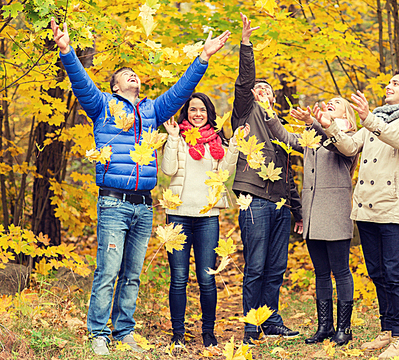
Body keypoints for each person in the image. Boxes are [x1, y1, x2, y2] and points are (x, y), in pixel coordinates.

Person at [51, 18, 230, 356]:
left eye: (135, 73)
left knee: (132, 273)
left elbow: (179, 91)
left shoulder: (150, 111)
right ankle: (98, 333)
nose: (133, 75)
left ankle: (123, 330)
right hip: (113, 203)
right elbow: (81, 83)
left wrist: (203, 58)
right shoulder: (102, 106)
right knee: (109, 270)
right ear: (116, 85)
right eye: (125, 73)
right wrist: (67, 52)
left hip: (144, 205)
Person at [318, 70, 399, 359]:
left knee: (394, 271)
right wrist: (330, 128)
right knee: (377, 272)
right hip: (366, 207)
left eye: (395, 83)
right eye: (388, 82)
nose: (387, 86)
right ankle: (387, 330)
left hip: (392, 206)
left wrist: (368, 118)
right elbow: (350, 147)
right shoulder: (375, 119)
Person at [261, 97, 357, 346]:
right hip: (313, 215)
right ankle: (325, 326)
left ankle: (344, 329)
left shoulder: (349, 137)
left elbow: (336, 143)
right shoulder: (313, 136)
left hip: (335, 213)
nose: (330, 102)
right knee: (321, 273)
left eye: (337, 102)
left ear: (347, 112)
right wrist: (270, 113)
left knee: (341, 271)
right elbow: (286, 138)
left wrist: (316, 122)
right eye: (329, 101)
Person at [231, 13, 302, 346]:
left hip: (281, 204)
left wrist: (298, 211)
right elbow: (245, 83)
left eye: (266, 90)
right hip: (254, 198)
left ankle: (271, 321)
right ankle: (250, 325)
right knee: (255, 265)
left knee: (276, 267)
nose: (260, 91)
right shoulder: (246, 113)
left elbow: (291, 174)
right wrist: (246, 46)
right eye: (258, 88)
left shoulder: (279, 127)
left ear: (272, 99)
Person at [161, 93, 250, 349]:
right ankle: (178, 333)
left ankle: (208, 331)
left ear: (208, 113)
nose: (197, 114)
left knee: (206, 277)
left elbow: (224, 175)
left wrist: (233, 146)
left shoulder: (218, 141)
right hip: (177, 215)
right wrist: (173, 138)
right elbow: (167, 169)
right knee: (178, 277)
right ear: (186, 113)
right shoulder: (178, 137)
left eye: (201, 110)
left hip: (207, 217)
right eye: (192, 110)